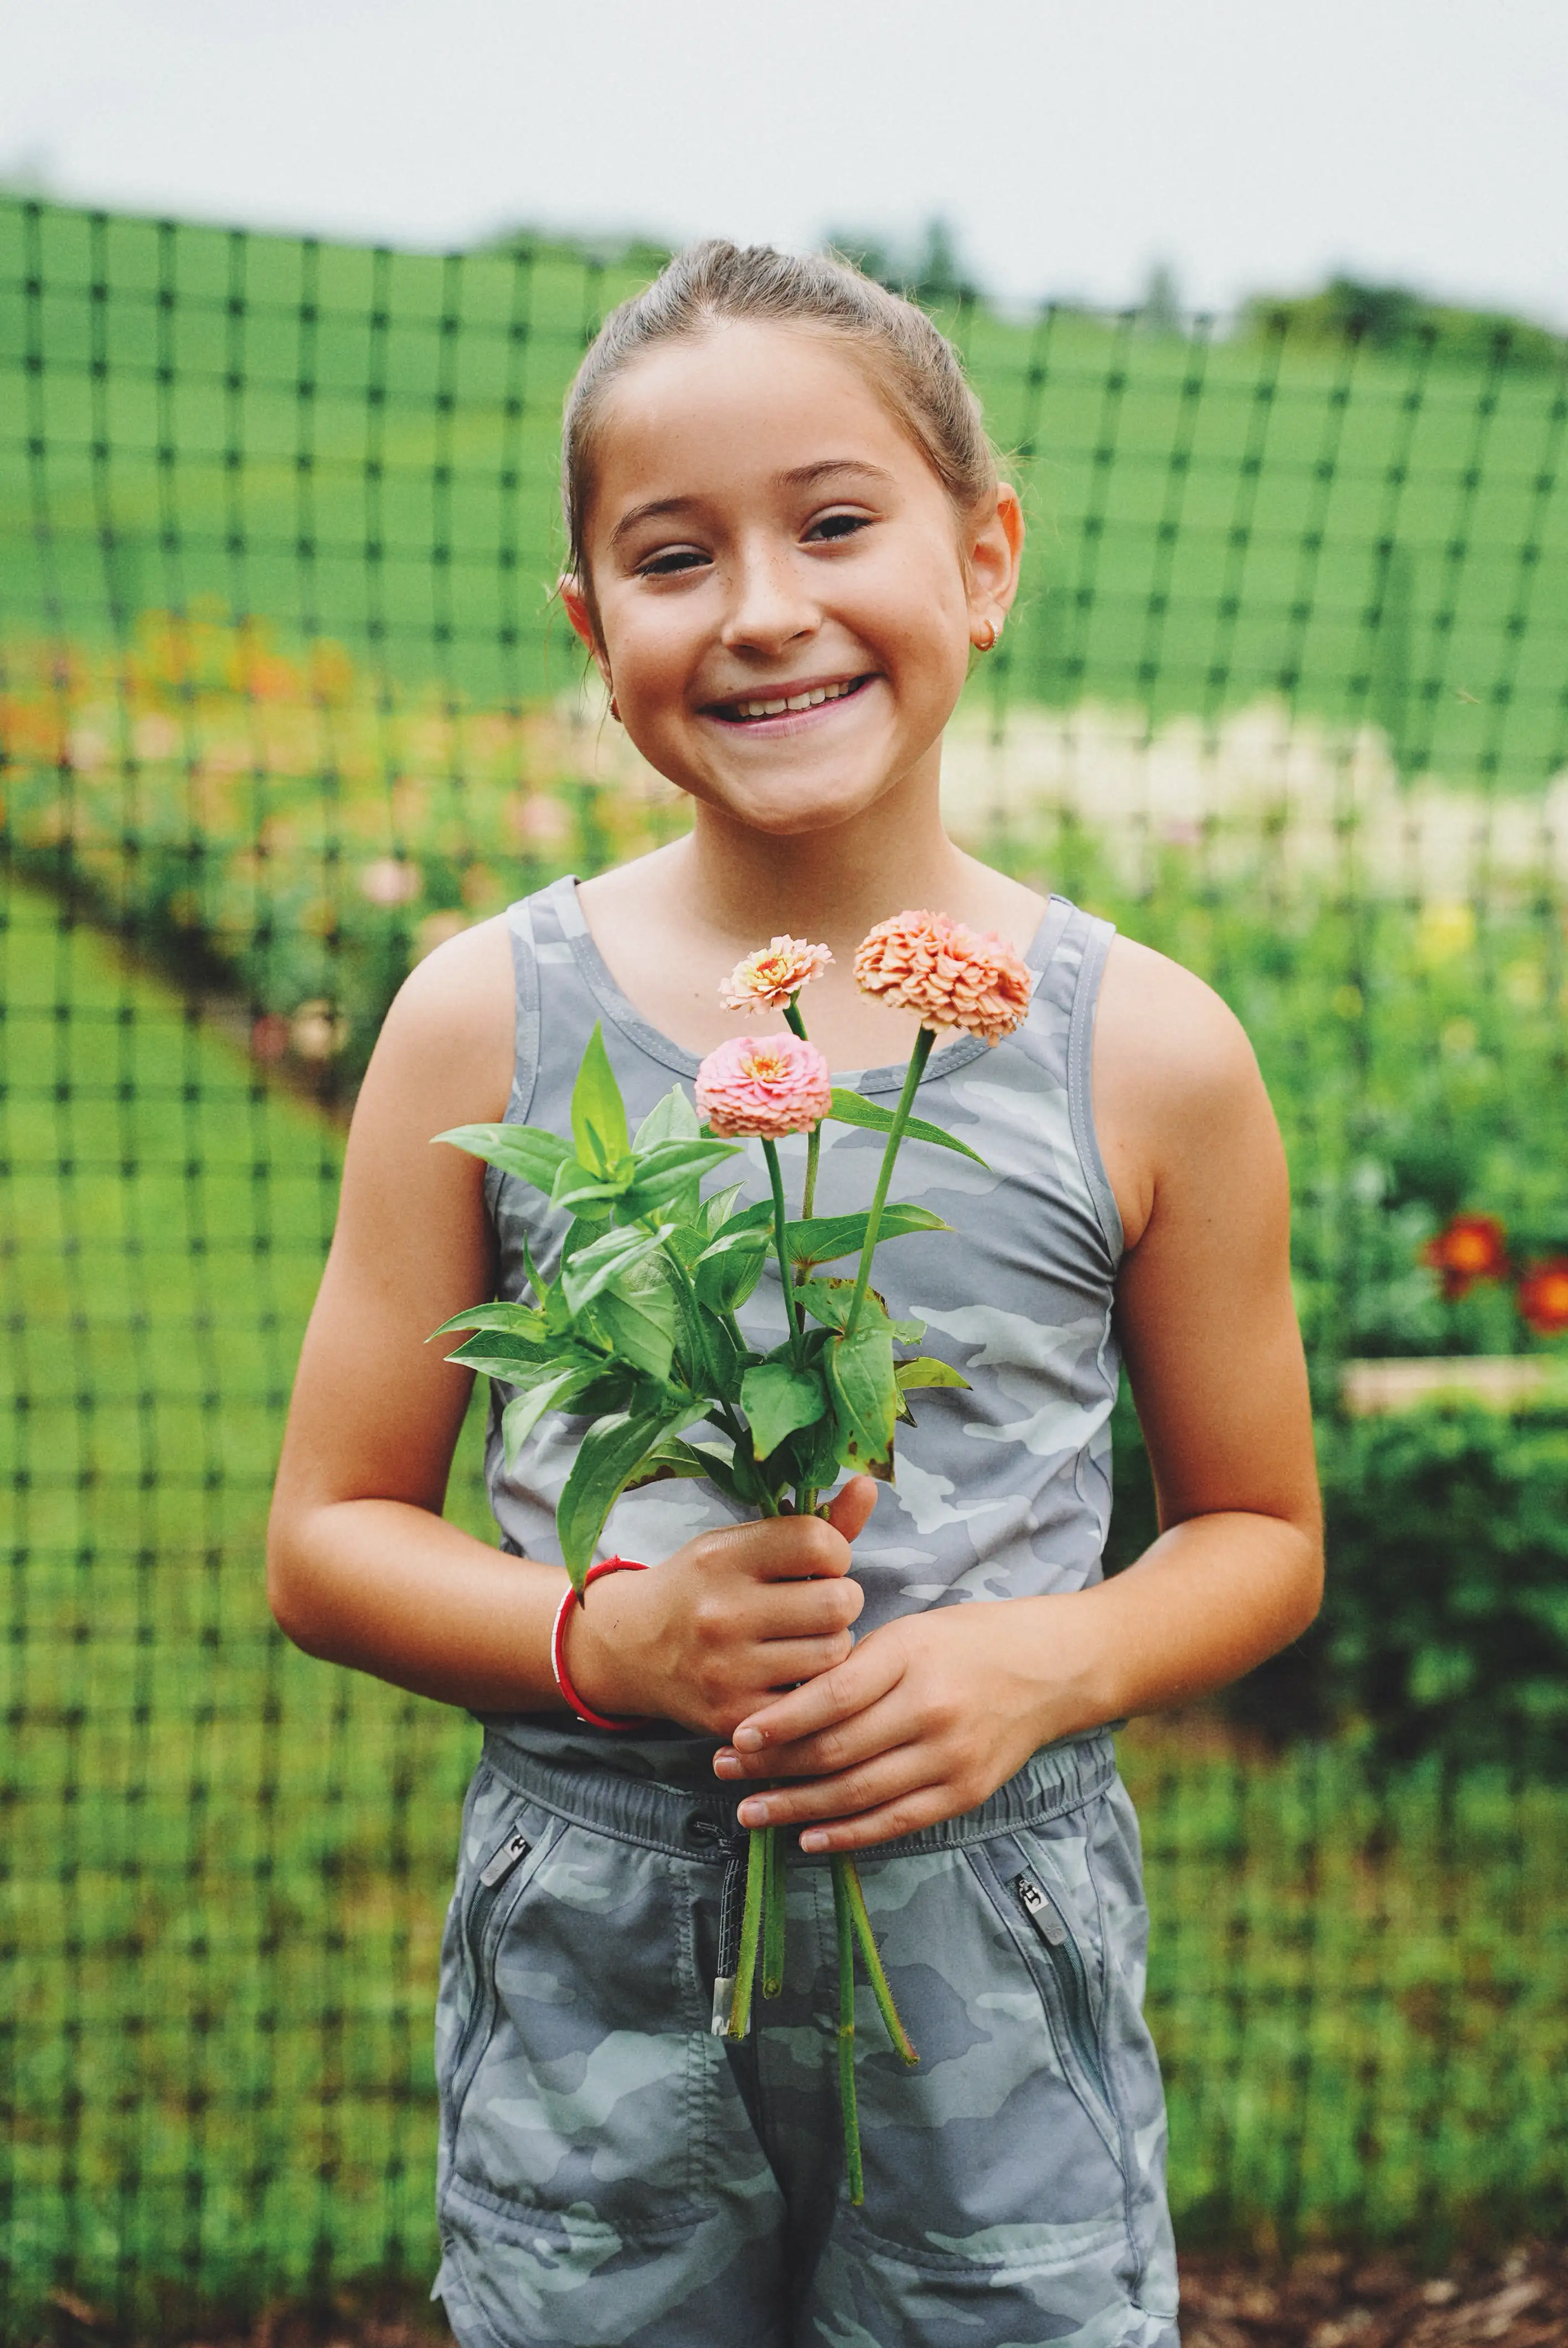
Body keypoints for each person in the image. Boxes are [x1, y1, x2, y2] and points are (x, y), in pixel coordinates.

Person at [267, 241, 1322, 2348]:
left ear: (986, 557)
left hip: (989, 1949)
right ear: (596, 632)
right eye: (674, 558)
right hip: (597, 1951)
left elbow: (1264, 1538)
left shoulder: (1153, 1049)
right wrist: (611, 1637)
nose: (762, 608)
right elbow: (325, 1541)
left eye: (839, 523)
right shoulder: (485, 1020)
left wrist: (1046, 1665)